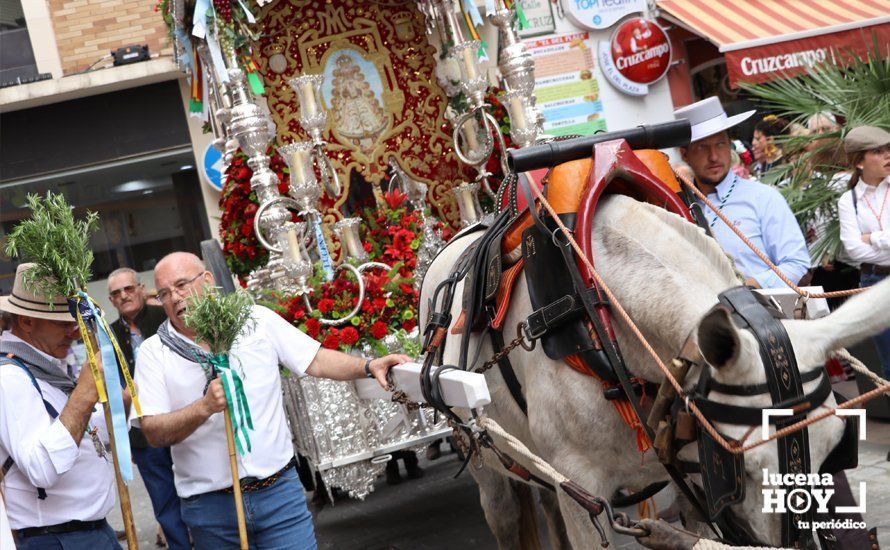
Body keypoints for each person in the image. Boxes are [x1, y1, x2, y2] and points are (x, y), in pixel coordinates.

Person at [132, 252, 410, 549]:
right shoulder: (153, 353)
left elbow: (314, 360)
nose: (175, 298)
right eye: (164, 294)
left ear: (208, 281)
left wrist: (368, 367)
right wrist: (203, 408)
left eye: (182, 285)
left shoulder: (255, 321)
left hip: (279, 494)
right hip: (210, 511)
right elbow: (153, 431)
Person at [0, 263, 121, 549]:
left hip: (87, 533)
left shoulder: (49, 365)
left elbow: (93, 440)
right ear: (26, 321)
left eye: (77, 321)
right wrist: (84, 394)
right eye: (63, 323)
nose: (75, 332)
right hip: (57, 539)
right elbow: (42, 470)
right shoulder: (9, 377)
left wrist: (118, 406)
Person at [674, 97, 811, 289]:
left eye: (720, 144)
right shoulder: (676, 208)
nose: (713, 156)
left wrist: (750, 287)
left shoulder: (763, 198)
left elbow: (796, 264)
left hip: (762, 314)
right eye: (702, 147)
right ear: (684, 154)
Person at [107, 267, 190, 549]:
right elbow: (110, 389)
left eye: (129, 289)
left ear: (141, 289)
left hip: (180, 420)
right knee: (163, 499)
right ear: (111, 300)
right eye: (116, 293)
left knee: (199, 489)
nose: (124, 296)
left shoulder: (165, 317)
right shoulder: (108, 335)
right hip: (142, 432)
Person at [837, 125, 890, 380]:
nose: (888, 155)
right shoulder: (849, 201)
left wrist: (874, 238)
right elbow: (854, 250)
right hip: (873, 282)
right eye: (878, 151)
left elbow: (864, 246)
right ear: (859, 162)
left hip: (874, 277)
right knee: (888, 362)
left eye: (888, 149)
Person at [750, 114, 789, 180]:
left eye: (758, 139)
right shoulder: (764, 164)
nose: (753, 143)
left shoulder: (787, 162)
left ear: (770, 139)